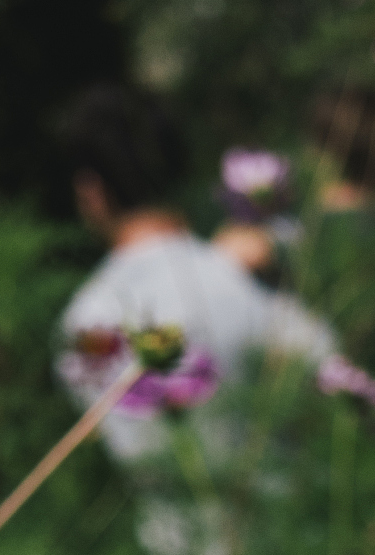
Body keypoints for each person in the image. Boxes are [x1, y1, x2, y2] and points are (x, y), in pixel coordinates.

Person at [55, 85, 336, 467]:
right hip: (284, 508)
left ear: (91, 192)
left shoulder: (84, 320)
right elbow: (330, 370)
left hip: (172, 520)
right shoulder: (241, 273)